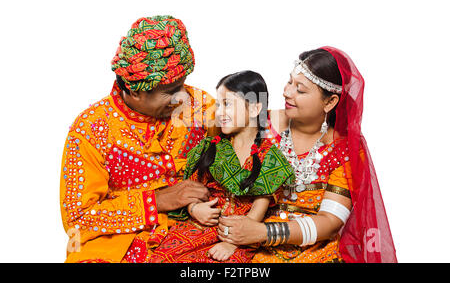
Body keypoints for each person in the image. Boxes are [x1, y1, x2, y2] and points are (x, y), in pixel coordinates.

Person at [60, 16, 219, 263]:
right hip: (117, 244)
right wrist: (157, 201)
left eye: (182, 85)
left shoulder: (201, 106)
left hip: (198, 231)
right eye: (170, 91)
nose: (182, 98)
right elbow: (78, 218)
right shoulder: (90, 129)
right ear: (134, 90)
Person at [217, 47, 397, 263]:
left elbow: (330, 221)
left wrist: (264, 232)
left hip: (313, 248)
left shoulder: (345, 148)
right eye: (289, 82)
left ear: (329, 102)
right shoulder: (264, 124)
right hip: (245, 237)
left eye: (300, 90)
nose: (286, 92)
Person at [148, 71, 294, 263]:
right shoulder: (211, 147)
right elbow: (192, 188)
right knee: (163, 258)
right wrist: (194, 209)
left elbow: (258, 211)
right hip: (201, 225)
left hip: (239, 235)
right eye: (218, 105)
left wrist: (232, 244)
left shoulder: (269, 157)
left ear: (254, 109)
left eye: (227, 104)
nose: (219, 112)